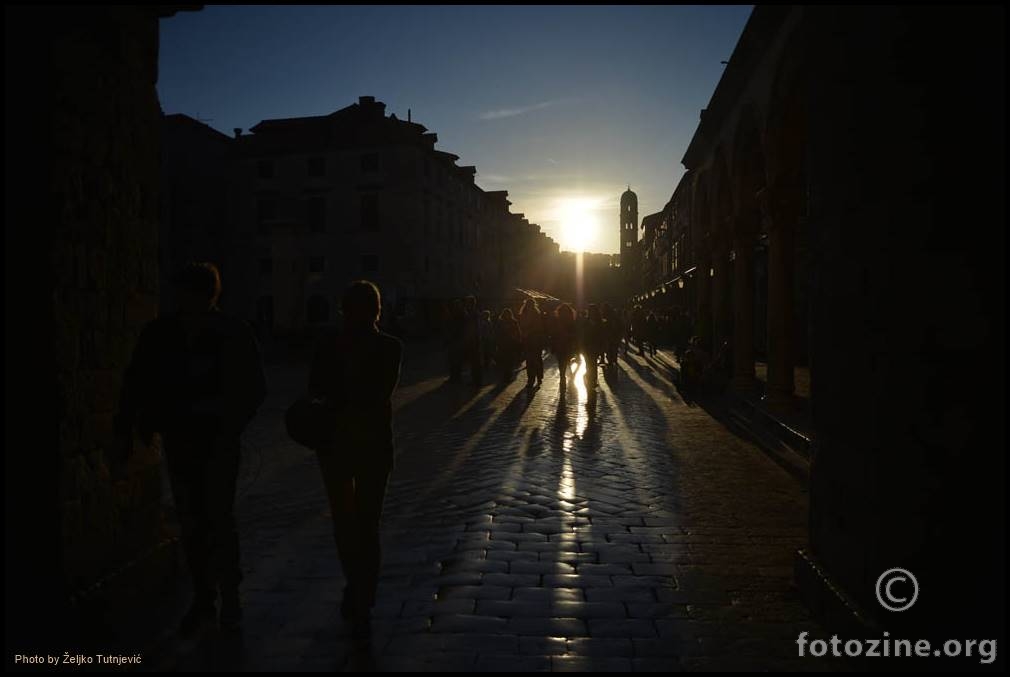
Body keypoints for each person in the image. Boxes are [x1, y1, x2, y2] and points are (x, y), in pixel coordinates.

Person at [116, 262, 266, 636]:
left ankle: (226, 594)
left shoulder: (231, 333)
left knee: (217, 516)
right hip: (181, 438)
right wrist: (134, 423)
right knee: (191, 519)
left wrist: (227, 423)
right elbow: (136, 380)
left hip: (216, 440)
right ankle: (205, 596)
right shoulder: (162, 333)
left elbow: (253, 388)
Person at [309, 280, 402, 649]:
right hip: (348, 446)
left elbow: (373, 393)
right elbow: (316, 386)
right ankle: (360, 591)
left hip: (355, 446)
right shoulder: (384, 346)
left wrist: (334, 398)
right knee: (358, 525)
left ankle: (361, 596)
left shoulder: (387, 347)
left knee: (358, 524)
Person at [519, 299, 545, 390]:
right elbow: (521, 325)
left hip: (535, 339)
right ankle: (531, 379)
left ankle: (538, 377)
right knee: (530, 361)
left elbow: (538, 327)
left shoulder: (536, 314)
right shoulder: (524, 314)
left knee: (536, 359)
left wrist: (528, 332)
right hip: (528, 340)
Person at [552, 303, 577, 391]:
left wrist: (569, 336)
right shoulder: (557, 321)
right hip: (560, 344)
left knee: (564, 360)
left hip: (567, 344)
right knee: (561, 361)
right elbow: (553, 333)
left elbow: (575, 334)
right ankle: (562, 376)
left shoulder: (571, 322)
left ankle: (563, 376)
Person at [496, 308, 521, 384]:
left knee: (507, 360)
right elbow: (518, 333)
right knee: (508, 360)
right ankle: (507, 375)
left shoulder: (501, 322)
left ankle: (507, 375)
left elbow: (497, 333)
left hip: (507, 344)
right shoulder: (513, 322)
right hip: (508, 344)